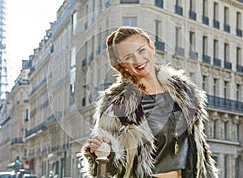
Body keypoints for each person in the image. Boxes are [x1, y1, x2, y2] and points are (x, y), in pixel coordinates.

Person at [81, 26, 219, 178]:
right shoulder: (116, 103)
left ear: (152, 47)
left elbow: (198, 151)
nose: (138, 60)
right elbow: (109, 167)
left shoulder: (184, 92)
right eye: (128, 57)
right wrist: (102, 150)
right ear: (122, 64)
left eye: (141, 50)